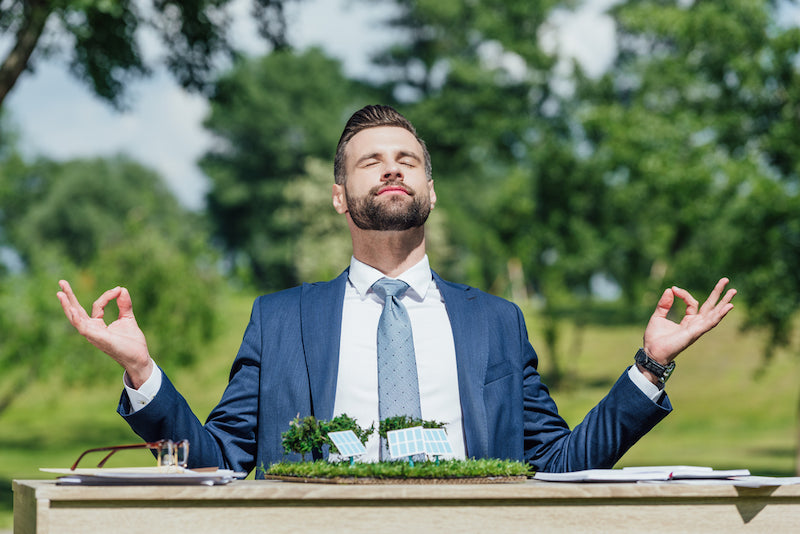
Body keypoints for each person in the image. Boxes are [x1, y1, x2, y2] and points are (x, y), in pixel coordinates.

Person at [57, 105, 736, 474]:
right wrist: (142, 373)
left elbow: (557, 464)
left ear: (429, 191)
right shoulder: (278, 320)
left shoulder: (497, 323)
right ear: (338, 197)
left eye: (407, 160)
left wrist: (648, 368)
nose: (391, 170)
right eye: (370, 161)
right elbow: (222, 465)